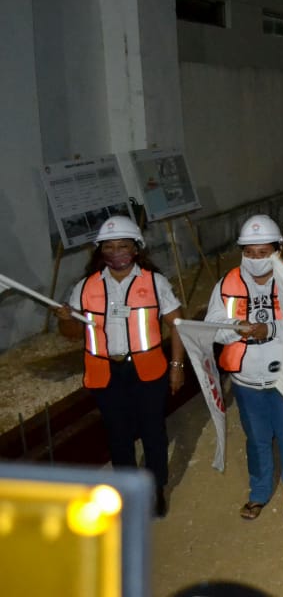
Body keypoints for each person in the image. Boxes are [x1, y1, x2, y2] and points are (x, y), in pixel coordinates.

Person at [54, 216, 186, 518]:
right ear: (100, 251)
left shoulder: (154, 282)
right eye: (109, 247)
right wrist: (65, 320)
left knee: (153, 431)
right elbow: (73, 334)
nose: (116, 253)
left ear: (136, 249)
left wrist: (177, 365)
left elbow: (177, 324)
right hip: (105, 372)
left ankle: (155, 490)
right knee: (118, 434)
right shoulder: (85, 287)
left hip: (147, 369)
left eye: (123, 246)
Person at [205, 215, 283, 521]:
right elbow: (213, 324)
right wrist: (236, 327)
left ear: (278, 250)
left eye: (263, 253)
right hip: (247, 377)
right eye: (249, 253)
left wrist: (272, 330)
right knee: (257, 438)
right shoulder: (227, 283)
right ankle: (259, 492)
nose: (255, 259)